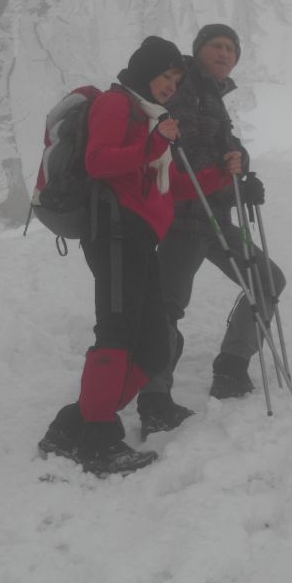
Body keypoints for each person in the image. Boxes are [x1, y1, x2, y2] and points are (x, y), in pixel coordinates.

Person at [38, 37, 238, 476]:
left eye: (175, 78)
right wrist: (154, 144)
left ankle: (71, 425)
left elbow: (163, 186)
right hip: (112, 231)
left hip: (137, 237)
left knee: (149, 345)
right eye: (166, 75)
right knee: (117, 333)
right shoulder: (116, 104)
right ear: (146, 70)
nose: (170, 84)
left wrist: (219, 176)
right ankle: (97, 442)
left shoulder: (148, 117)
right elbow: (99, 163)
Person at [136, 24, 286, 438]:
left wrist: (243, 174)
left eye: (231, 50)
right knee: (168, 305)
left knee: (267, 279)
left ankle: (232, 366)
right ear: (199, 51)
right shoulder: (183, 87)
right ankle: (154, 396)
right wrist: (224, 171)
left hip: (215, 215)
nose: (224, 54)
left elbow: (223, 147)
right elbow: (176, 148)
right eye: (216, 46)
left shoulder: (212, 97)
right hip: (184, 217)